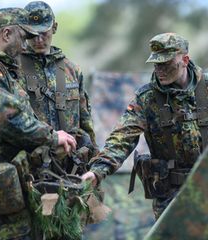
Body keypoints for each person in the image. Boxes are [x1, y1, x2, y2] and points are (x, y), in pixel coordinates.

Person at [0, 7, 77, 240]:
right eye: (24, 36)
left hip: (9, 188)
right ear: (7, 34)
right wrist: (51, 136)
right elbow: (5, 120)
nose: (28, 43)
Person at [82, 32, 208, 220]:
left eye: (166, 63)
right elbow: (122, 137)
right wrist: (97, 170)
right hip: (172, 196)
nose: (160, 70)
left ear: (185, 59)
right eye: (156, 64)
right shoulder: (147, 98)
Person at [19, 1, 98, 174]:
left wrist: (93, 163)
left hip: (72, 167)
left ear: (54, 28)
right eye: (33, 34)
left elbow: (85, 122)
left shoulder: (71, 69)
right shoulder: (13, 69)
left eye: (44, 32)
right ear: (24, 32)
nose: (39, 40)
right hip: (32, 168)